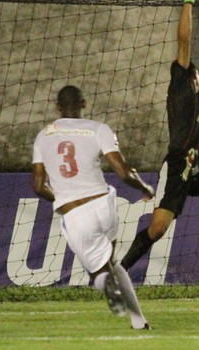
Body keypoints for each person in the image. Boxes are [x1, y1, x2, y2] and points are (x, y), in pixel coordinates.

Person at [120, 0, 199, 271]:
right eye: (195, 75)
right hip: (178, 164)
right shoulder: (182, 83)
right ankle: (119, 270)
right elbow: (183, 40)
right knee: (158, 229)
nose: (197, 77)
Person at [32, 85, 154, 329]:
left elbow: (38, 185)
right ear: (84, 104)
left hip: (76, 213)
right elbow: (123, 171)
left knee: (99, 274)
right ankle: (139, 321)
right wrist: (145, 188)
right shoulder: (99, 129)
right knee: (113, 263)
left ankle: (105, 285)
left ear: (57, 107)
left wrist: (62, 196)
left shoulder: (43, 136)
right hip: (105, 204)